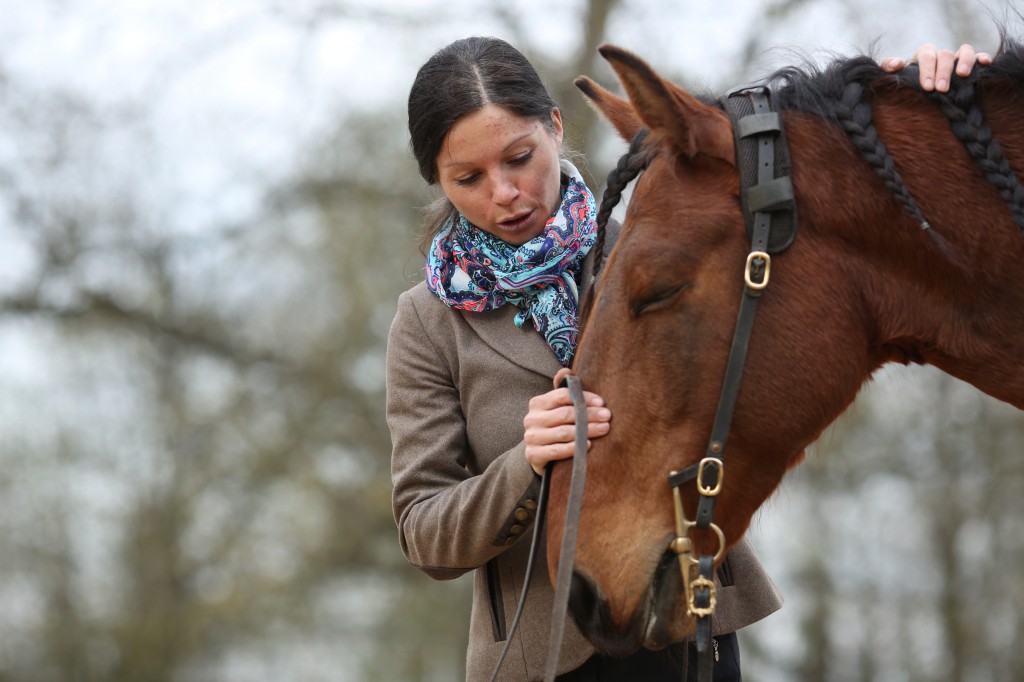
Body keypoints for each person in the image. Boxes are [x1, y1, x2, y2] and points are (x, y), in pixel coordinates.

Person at [387, 36, 987, 682]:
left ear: (556, 128)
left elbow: (824, 227)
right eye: (469, 179)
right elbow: (425, 533)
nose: (504, 193)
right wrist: (525, 464)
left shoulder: (667, 250)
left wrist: (926, 97)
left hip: (692, 627)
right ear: (438, 182)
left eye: (519, 158)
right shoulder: (427, 322)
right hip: (542, 658)